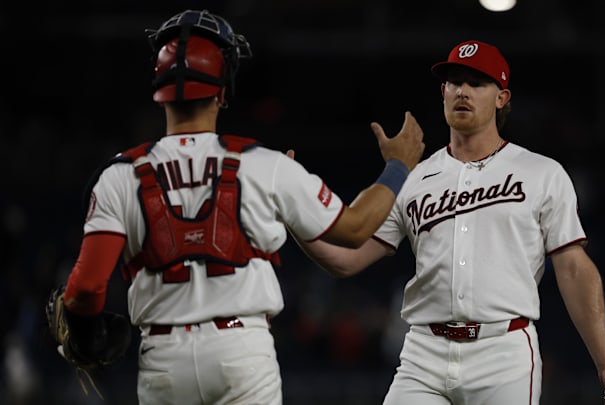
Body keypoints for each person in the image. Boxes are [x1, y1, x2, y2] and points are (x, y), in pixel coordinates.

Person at [52, 9, 424, 405]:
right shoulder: (265, 165)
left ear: (159, 89)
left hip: (163, 356)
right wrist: (398, 168)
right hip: (240, 352)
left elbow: (85, 288)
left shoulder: (119, 175)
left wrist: (87, 331)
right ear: (222, 91)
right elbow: (355, 229)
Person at [293, 39, 605, 404]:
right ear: (443, 92)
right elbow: (346, 259)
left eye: (477, 83)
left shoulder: (542, 173)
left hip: (503, 351)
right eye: (454, 82)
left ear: (501, 97)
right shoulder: (413, 178)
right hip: (423, 353)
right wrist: (292, 211)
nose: (462, 91)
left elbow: (574, 268)